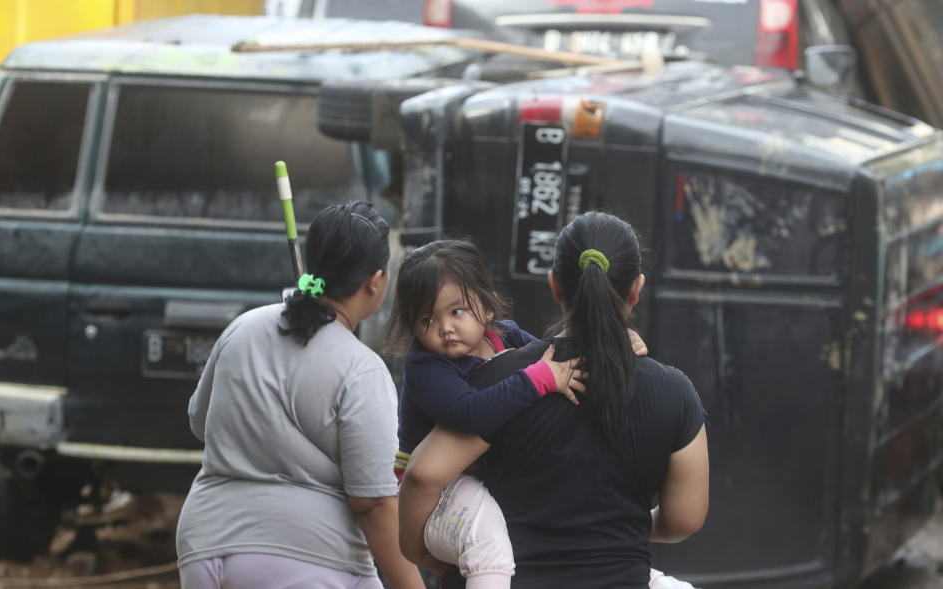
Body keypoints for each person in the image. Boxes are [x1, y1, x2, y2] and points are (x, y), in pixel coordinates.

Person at [398, 211, 709, 589]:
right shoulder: (675, 393)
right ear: (636, 289)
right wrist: (619, 529)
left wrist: (419, 552)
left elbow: (422, 474)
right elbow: (684, 519)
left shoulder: (502, 380)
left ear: (555, 286)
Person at [175, 201, 424, 589]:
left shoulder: (242, 328)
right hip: (305, 557)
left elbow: (200, 421)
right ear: (376, 281)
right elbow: (373, 502)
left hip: (204, 546)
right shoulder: (361, 368)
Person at [385, 239, 585, 589]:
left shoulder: (504, 336)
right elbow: (470, 413)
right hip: (439, 493)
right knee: (488, 545)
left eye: (456, 311)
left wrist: (615, 340)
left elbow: (552, 354)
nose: (445, 327)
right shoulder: (425, 365)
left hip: (487, 475)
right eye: (428, 318)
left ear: (487, 306)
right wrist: (537, 379)